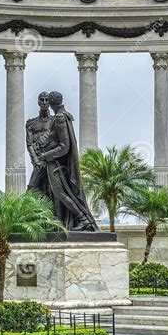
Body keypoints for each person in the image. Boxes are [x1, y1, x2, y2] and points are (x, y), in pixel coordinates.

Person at [39, 91, 99, 232]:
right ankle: (59, 225)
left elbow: (64, 147)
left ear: (51, 103)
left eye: (48, 101)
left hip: (56, 165)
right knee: (55, 194)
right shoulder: (62, 117)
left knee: (60, 193)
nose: (45, 103)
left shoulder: (60, 118)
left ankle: (84, 219)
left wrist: (46, 155)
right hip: (55, 164)